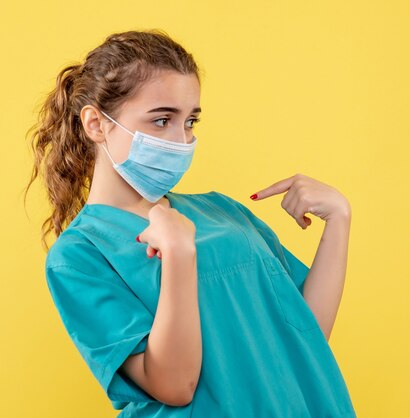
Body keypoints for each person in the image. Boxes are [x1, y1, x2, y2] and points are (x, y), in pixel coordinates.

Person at [26, 29, 356, 417]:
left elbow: (305, 336)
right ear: (96, 124)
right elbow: (174, 386)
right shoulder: (80, 255)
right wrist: (179, 255)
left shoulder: (223, 211)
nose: (181, 140)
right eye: (162, 120)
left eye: (190, 122)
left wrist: (339, 221)